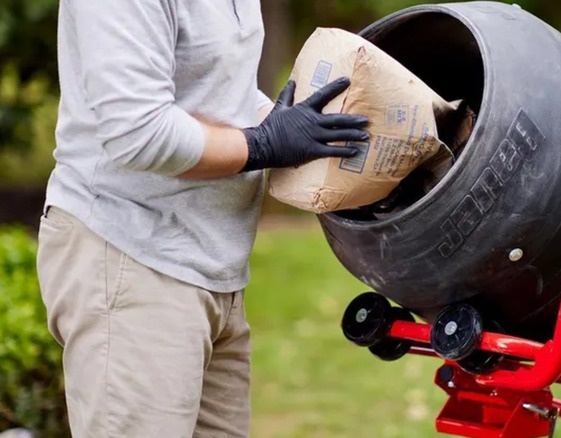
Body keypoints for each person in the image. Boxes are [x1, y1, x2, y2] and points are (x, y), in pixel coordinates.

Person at [35, 1, 369, 437]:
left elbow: (216, 86)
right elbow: (139, 133)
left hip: (213, 271)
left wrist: (285, 124)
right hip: (134, 260)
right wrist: (264, 144)